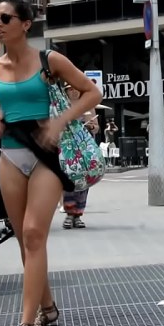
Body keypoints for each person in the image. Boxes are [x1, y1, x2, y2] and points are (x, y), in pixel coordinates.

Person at [0, 0, 101, 326]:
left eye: (5, 18)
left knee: (34, 234)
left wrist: (60, 121)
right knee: (25, 240)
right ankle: (47, 307)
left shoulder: (49, 60)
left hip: (47, 157)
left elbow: (92, 93)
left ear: (25, 24)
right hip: (10, 154)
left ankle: (25, 322)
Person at [61, 85, 98, 230]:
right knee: (69, 178)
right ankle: (69, 214)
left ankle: (78, 215)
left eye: (76, 88)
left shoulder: (88, 103)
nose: (74, 91)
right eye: (70, 89)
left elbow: (96, 127)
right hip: (68, 147)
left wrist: (91, 127)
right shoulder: (62, 104)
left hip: (85, 148)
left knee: (84, 181)